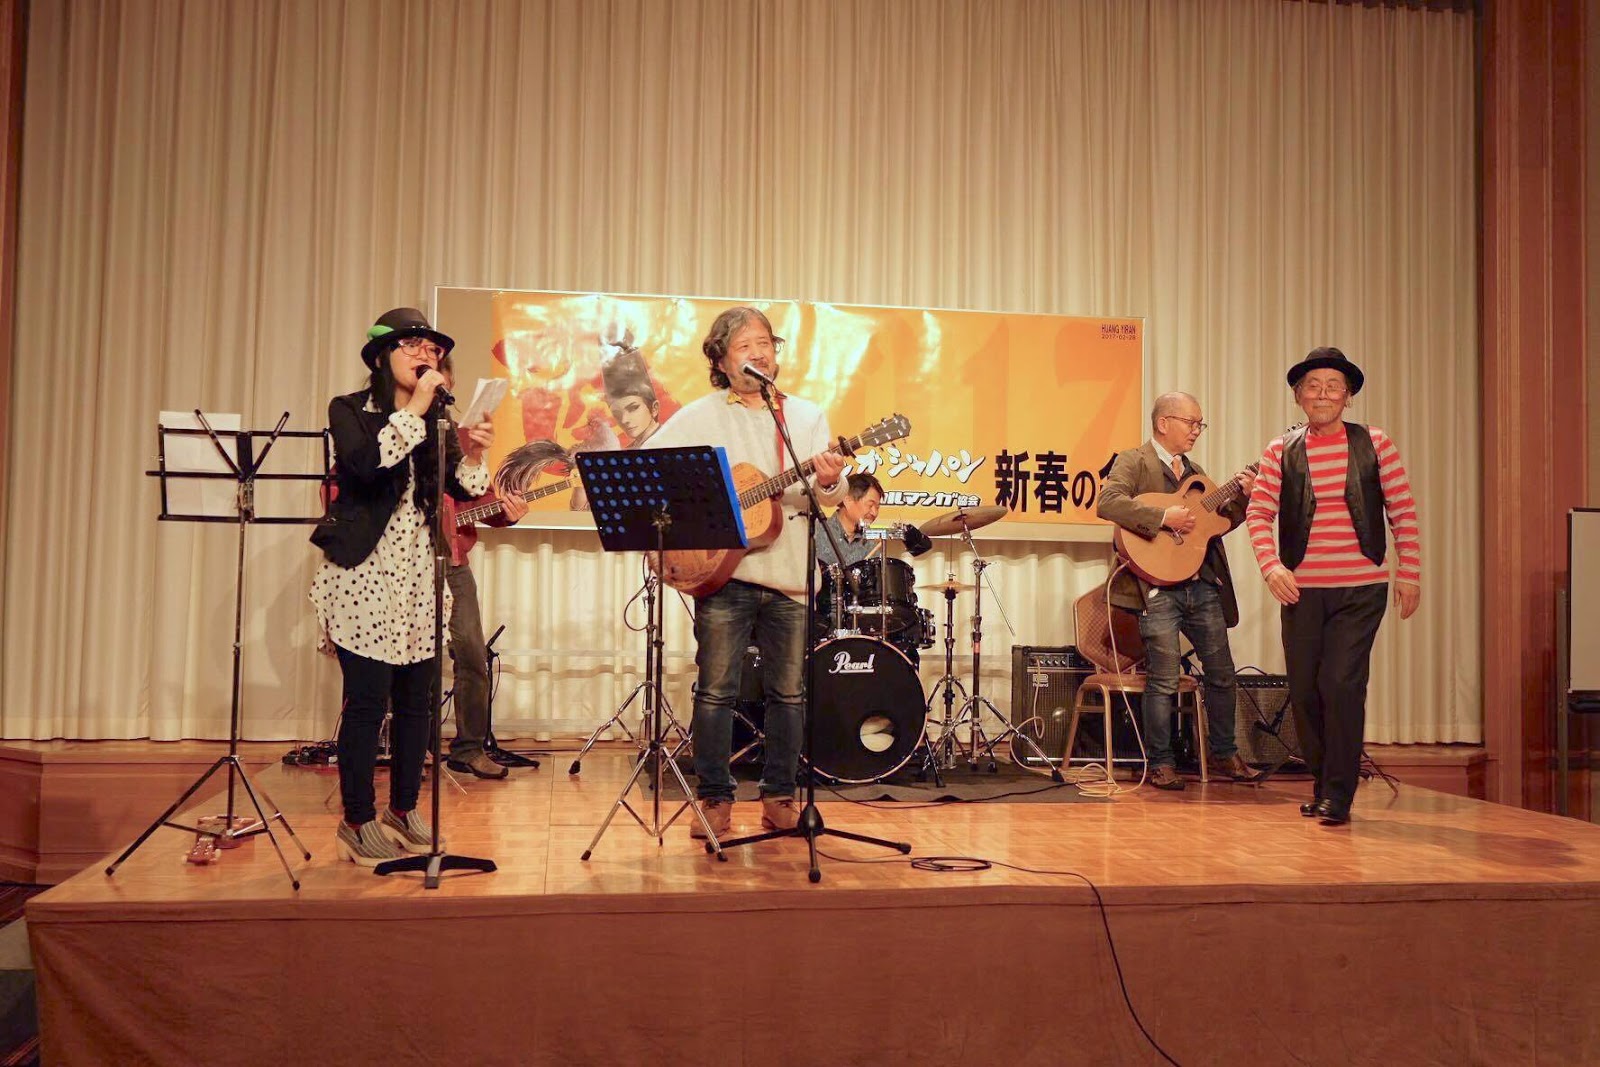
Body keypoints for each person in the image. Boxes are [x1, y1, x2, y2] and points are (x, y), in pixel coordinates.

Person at [644, 306, 846, 838]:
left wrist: (830, 481)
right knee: (715, 691)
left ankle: (779, 796)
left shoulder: (804, 416)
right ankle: (714, 798)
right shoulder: (700, 415)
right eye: (745, 346)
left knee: (789, 694)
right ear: (720, 360)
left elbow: (828, 495)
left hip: (791, 576)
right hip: (723, 574)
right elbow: (651, 467)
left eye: (765, 344)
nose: (759, 354)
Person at [309, 308, 496, 866]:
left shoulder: (438, 421)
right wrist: (414, 409)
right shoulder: (350, 410)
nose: (425, 355)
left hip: (419, 575)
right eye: (412, 345)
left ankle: (404, 809)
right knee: (368, 703)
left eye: (432, 349)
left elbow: (463, 487)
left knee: (418, 704)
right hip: (363, 574)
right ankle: (356, 820)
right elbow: (366, 467)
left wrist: (476, 451)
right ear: (381, 356)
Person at [1246, 348, 1421, 825]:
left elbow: (1402, 510)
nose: (1322, 394)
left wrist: (1409, 573)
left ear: (1348, 397)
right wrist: (1271, 567)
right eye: (1313, 386)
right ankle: (1324, 786)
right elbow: (1258, 513)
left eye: (1333, 386)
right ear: (1298, 396)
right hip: (1301, 590)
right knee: (1304, 691)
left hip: (1361, 588)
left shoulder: (1375, 444)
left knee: (1341, 684)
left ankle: (1339, 796)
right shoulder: (1280, 449)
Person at [1096, 391, 1265, 790]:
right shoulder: (1134, 461)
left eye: (1200, 424)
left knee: (1222, 673)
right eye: (1191, 423)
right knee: (1164, 676)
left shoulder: (1196, 472)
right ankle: (1161, 762)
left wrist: (1245, 498)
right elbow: (1108, 502)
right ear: (1163, 423)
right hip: (1155, 589)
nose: (1196, 431)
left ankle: (1225, 753)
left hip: (1201, 585)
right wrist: (1162, 516)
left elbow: (1213, 527)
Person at [436, 360, 530, 780]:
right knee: (410, 664)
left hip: (454, 565)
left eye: (443, 383)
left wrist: (507, 513)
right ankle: (407, 748)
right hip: (403, 566)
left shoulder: (462, 438)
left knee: (473, 656)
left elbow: (481, 502)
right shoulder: (389, 432)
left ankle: (468, 749)